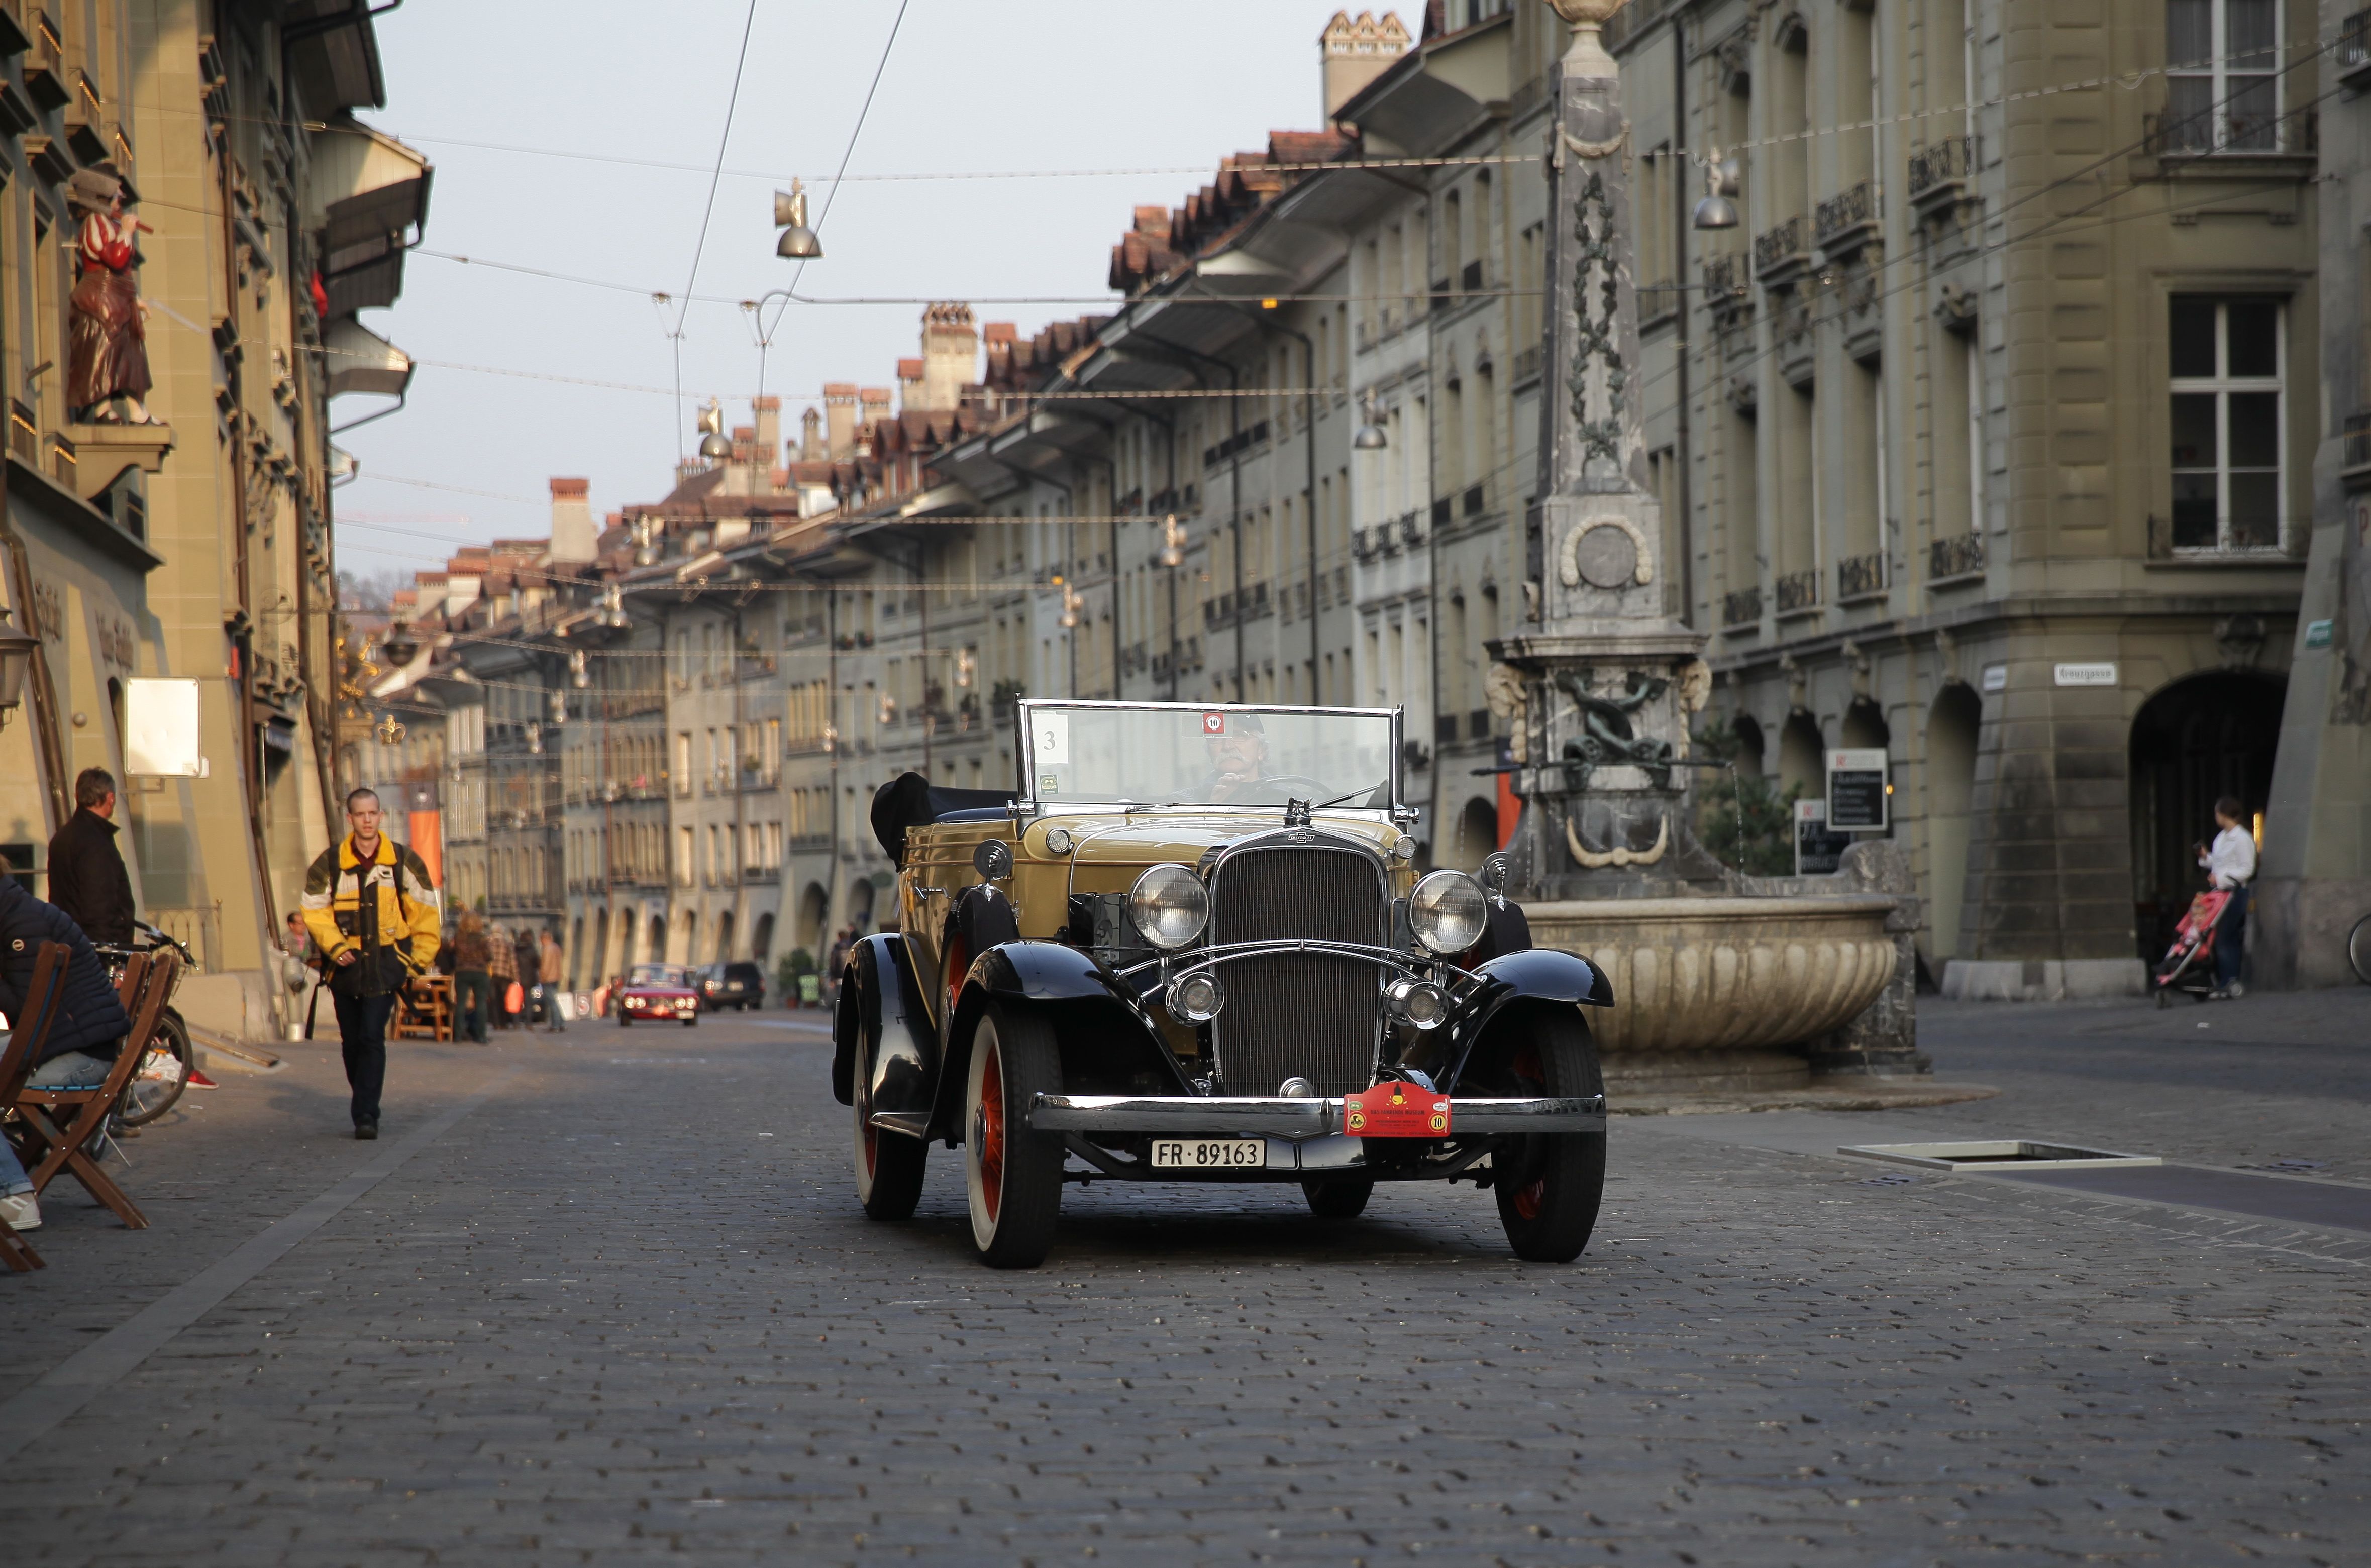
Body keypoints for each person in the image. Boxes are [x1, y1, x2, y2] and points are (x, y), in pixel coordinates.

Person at [300, 789, 441, 1138]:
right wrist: (334, 946)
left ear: (381, 816)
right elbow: (314, 909)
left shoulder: (403, 862)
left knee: (371, 1036)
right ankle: (362, 1094)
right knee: (351, 1041)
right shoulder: (330, 863)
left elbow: (425, 915)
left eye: (373, 813)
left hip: (386, 968)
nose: (367, 820)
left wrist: (413, 964)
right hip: (344, 970)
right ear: (350, 818)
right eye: (360, 814)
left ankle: (366, 1115)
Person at [0, 867, 133, 1232]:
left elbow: (30, 1012)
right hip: (71, 1043)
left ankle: (14, 1194)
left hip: (81, 1056)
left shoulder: (22, 924)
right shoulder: (19, 912)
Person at [64, 165, 157, 426]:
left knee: (128, 355)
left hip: (116, 298)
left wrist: (134, 300)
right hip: (100, 300)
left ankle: (137, 411)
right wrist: (127, 233)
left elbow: (121, 273)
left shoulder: (109, 223)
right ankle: (104, 409)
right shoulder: (95, 223)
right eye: (117, 193)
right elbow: (114, 260)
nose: (121, 198)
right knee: (105, 352)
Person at [46, 767, 135, 948]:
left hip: (67, 940)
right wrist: (111, 950)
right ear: (110, 798)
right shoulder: (95, 842)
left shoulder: (63, 836)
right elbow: (100, 904)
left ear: (77, 796)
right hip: (94, 950)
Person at [2195, 795, 2257, 1000]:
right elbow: (2220, 863)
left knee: (2226, 937)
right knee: (2221, 937)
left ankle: (2229, 980)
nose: (2215, 817)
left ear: (2224, 814)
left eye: (2217, 813)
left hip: (2235, 893)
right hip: (2221, 893)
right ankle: (2226, 981)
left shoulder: (2242, 839)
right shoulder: (2221, 838)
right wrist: (2206, 859)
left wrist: (2221, 877)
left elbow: (2247, 869)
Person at [1201, 712, 1271, 801]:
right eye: (1217, 737)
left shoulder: (1287, 799)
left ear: (1261, 750)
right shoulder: (1184, 802)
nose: (1228, 746)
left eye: (1240, 735)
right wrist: (1212, 809)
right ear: (1210, 752)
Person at [451, 911, 492, 1044]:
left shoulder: (459, 938)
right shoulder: (482, 938)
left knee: (461, 1004)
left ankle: (457, 1036)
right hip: (480, 971)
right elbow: (489, 956)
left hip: (462, 971)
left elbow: (452, 950)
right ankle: (481, 1036)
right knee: (481, 1004)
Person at [486, 923, 518, 1028]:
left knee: (494, 1000)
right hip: (505, 975)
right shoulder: (508, 944)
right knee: (504, 1000)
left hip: (492, 975)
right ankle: (504, 1023)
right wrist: (516, 978)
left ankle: (496, 1023)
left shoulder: (488, 943)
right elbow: (513, 962)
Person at [539, 929, 566, 1033]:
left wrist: (542, 977)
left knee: (552, 1002)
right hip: (556, 977)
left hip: (548, 978)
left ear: (544, 939)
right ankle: (561, 1023)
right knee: (555, 1001)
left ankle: (555, 1025)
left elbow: (545, 966)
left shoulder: (547, 949)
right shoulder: (556, 947)